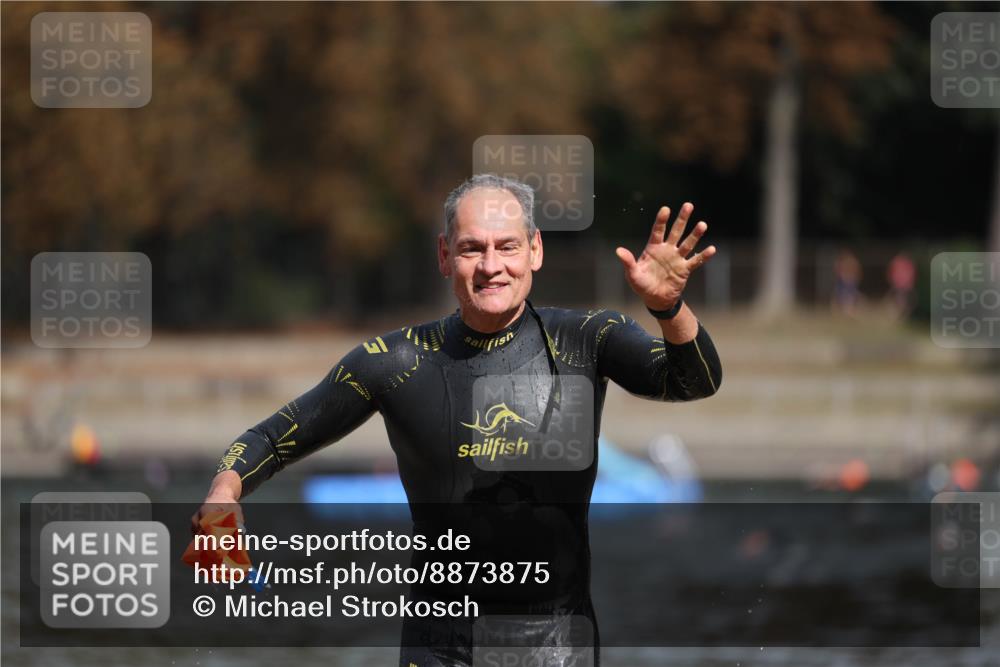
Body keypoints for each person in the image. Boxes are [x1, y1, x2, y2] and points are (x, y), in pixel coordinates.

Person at [193, 174, 723, 666]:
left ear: (535, 250)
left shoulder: (586, 339)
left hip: (556, 649)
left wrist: (668, 309)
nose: (491, 266)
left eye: (507, 246)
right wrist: (223, 493)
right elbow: (273, 437)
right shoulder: (396, 361)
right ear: (445, 256)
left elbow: (693, 381)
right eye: (473, 248)